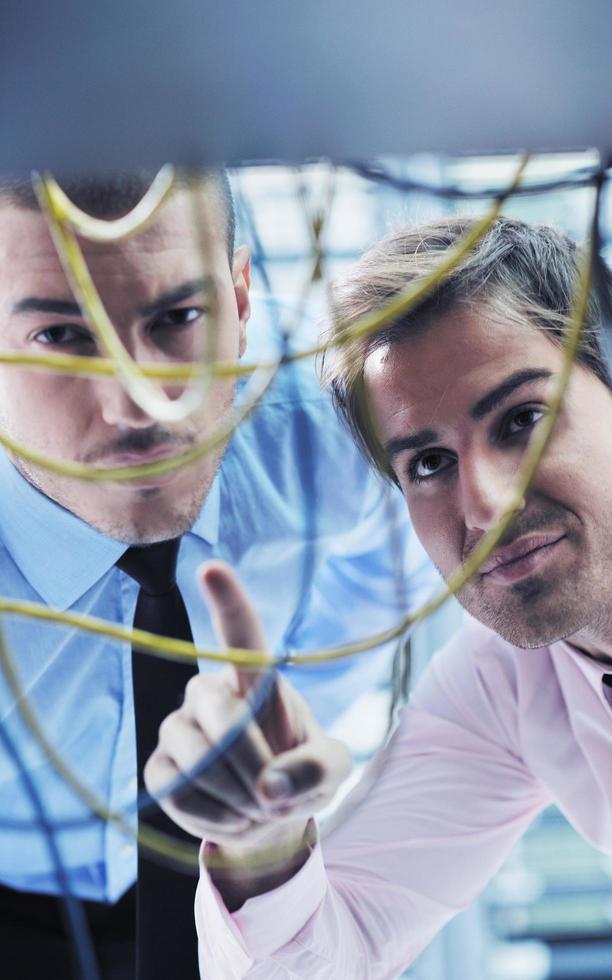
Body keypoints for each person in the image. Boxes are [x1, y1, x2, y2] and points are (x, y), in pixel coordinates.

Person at [144, 216, 612, 978]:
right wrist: (264, 843)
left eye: (523, 420)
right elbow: (315, 962)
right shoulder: (502, 687)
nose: (483, 505)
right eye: (428, 464)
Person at [0, 171, 436, 978]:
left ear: (240, 302)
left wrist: (279, 729)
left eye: (176, 319)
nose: (137, 406)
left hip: (241, 897)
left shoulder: (335, 418)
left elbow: (388, 573)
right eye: (63, 336)